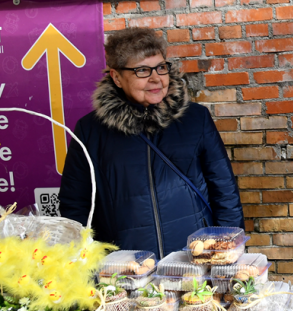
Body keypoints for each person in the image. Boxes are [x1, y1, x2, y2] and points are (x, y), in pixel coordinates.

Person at [59, 27, 243, 258]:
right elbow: (75, 202)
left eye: (161, 67)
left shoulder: (195, 119)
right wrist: (88, 259)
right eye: (142, 70)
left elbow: (224, 188)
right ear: (117, 77)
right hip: (127, 265)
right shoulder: (91, 130)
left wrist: (227, 246)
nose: (156, 78)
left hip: (194, 257)